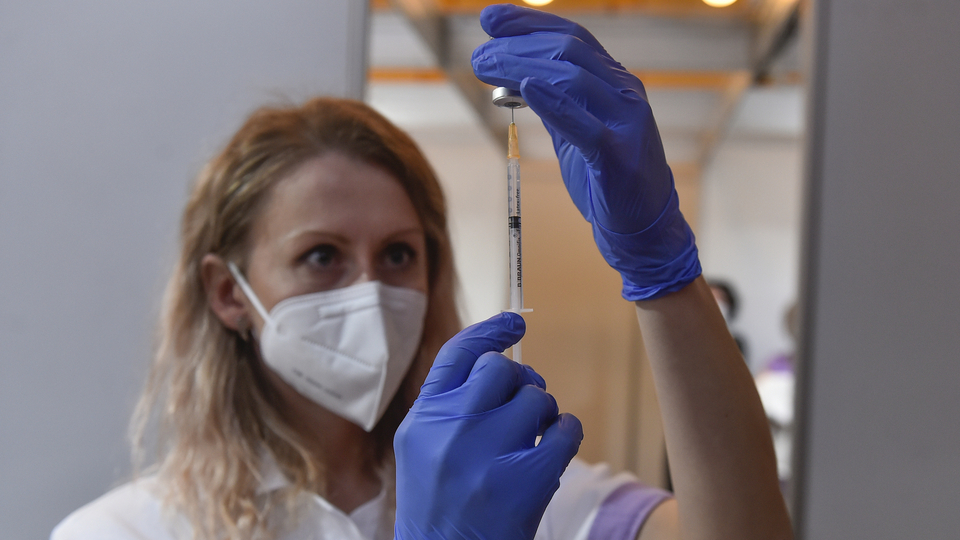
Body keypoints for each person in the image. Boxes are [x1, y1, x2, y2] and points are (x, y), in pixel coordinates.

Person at [52, 4, 791, 540]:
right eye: (321, 256)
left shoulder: (504, 489)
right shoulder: (126, 530)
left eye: (399, 254)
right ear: (228, 294)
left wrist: (665, 276)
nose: (369, 290)